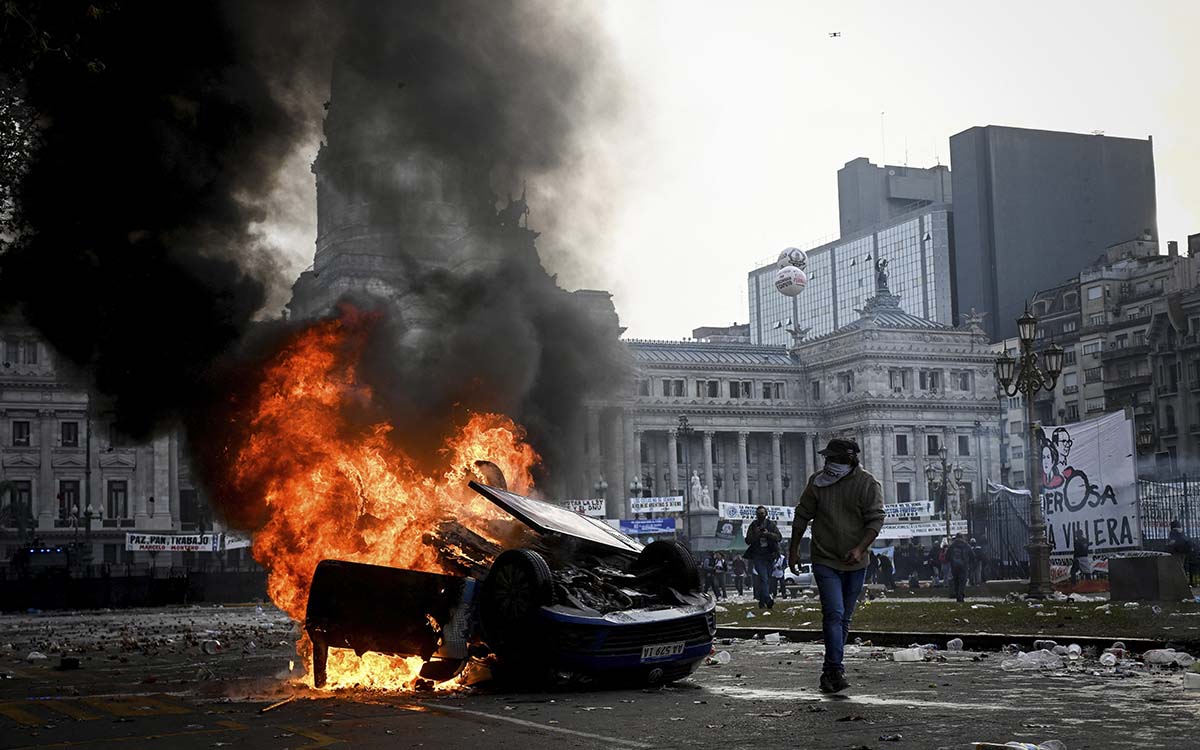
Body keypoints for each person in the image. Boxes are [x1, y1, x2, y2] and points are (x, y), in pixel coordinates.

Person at [788, 438, 885, 694]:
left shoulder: (867, 484)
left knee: (844, 618)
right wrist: (794, 548)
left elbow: (875, 520)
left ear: (850, 460)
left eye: (835, 459)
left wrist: (860, 548)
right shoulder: (818, 482)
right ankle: (835, 669)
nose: (829, 464)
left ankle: (830, 670)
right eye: (827, 459)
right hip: (825, 558)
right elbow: (802, 514)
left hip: (856, 561)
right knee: (834, 613)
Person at [745, 505, 782, 609]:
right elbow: (748, 540)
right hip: (758, 556)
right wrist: (756, 534)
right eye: (758, 514)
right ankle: (768, 599)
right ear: (756, 515)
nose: (760, 515)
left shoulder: (771, 525)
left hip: (770, 555)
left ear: (766, 514)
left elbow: (779, 537)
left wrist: (768, 534)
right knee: (764, 578)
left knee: (767, 579)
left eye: (762, 513)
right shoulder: (753, 525)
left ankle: (762, 602)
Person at [1167, 520, 1195, 586]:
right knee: (1181, 566)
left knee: (1178, 567)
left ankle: (1182, 582)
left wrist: (1169, 545)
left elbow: (1172, 542)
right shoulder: (1182, 531)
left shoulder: (1173, 531)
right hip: (1184, 551)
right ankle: (1184, 581)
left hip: (1177, 551)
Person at [947, 533, 972, 602]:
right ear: (962, 537)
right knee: (962, 581)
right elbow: (972, 555)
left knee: (956, 581)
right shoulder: (966, 545)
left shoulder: (952, 546)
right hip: (964, 566)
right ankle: (961, 595)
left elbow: (947, 556)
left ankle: (957, 595)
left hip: (954, 567)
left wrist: (951, 562)